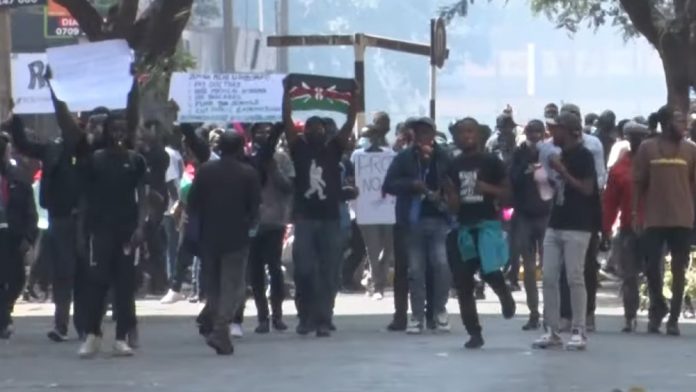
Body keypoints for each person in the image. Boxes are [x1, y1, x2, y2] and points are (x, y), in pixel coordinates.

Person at [281, 78, 358, 337]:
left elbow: (349, 122)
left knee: (328, 271)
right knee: (303, 269)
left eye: (319, 128)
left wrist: (353, 97)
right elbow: (286, 121)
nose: (314, 131)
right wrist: (286, 94)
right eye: (310, 127)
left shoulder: (334, 150)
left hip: (330, 219)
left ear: (326, 132)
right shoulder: (298, 148)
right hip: (305, 218)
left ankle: (323, 319)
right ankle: (305, 317)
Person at [78, 112, 147, 358]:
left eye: (122, 130)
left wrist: (140, 227)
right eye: (114, 130)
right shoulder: (95, 160)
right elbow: (85, 198)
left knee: (125, 286)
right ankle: (92, 334)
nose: (118, 135)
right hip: (100, 231)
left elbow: (142, 196)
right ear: (106, 132)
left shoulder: (136, 160)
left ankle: (121, 337)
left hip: (127, 232)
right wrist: (82, 231)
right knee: (97, 283)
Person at [444, 117, 515, 349]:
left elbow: (508, 195)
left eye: (470, 131)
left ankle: (504, 293)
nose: (466, 136)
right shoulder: (453, 165)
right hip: (464, 227)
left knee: (490, 271)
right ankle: (474, 332)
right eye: (462, 132)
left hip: (487, 224)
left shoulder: (491, 161)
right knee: (463, 283)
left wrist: (487, 189)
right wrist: (451, 197)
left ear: (479, 134)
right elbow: (452, 204)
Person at [187, 131, 261, 355]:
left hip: (209, 237)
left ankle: (212, 317)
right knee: (234, 287)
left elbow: (193, 203)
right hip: (236, 237)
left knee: (214, 286)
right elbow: (254, 207)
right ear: (241, 148)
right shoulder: (248, 173)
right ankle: (220, 328)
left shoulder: (205, 171)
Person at [532, 112, 599, 351]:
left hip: (578, 225)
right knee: (549, 276)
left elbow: (587, 189)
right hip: (556, 221)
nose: (552, 133)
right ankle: (551, 329)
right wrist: (543, 178)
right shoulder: (557, 155)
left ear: (570, 131)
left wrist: (562, 172)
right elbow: (552, 191)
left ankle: (579, 329)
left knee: (574, 276)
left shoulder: (583, 156)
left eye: (557, 129)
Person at [383, 117, 451, 335]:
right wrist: (412, 184)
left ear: (433, 134)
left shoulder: (443, 157)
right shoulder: (404, 158)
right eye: (419, 132)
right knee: (414, 269)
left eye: (427, 132)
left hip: (439, 219)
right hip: (411, 221)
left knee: (440, 265)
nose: (423, 137)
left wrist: (445, 192)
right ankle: (414, 316)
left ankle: (438, 312)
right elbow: (388, 185)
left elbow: (455, 183)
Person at [633, 105, 696, 336]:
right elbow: (639, 183)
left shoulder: (691, 150)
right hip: (654, 217)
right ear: (667, 123)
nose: (685, 125)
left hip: (682, 217)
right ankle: (658, 305)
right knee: (651, 267)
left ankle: (673, 318)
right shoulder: (647, 148)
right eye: (680, 121)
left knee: (679, 269)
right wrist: (633, 214)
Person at [602, 121, 649, 333]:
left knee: (654, 274)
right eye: (632, 138)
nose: (636, 142)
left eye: (640, 138)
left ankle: (657, 313)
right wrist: (605, 227)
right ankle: (630, 316)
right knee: (629, 275)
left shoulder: (655, 165)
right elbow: (610, 201)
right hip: (629, 228)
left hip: (654, 227)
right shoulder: (619, 169)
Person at [248, 122, 294, 334]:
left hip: (275, 221)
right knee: (255, 270)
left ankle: (277, 314)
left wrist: (273, 170)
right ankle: (262, 317)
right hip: (253, 223)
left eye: (268, 132)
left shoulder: (282, 158)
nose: (263, 135)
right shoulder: (247, 159)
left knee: (274, 268)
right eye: (259, 132)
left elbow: (289, 187)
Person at [508, 120, 553, 331]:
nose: (535, 136)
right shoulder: (519, 153)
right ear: (526, 133)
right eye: (531, 132)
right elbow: (512, 178)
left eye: (538, 132)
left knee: (549, 269)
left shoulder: (550, 152)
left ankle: (549, 314)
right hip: (524, 215)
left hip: (546, 215)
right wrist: (527, 167)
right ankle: (534, 313)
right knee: (528, 268)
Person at [0, 132, 39, 339]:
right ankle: (4, 320)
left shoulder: (18, 178)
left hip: (12, 236)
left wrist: (29, 237)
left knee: (16, 279)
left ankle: (4, 312)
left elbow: (29, 211)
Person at [351, 124, 395, 300]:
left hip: (388, 209)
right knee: (372, 249)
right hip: (366, 209)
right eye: (362, 136)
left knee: (389, 248)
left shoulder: (390, 156)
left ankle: (377, 278)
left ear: (376, 138)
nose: (363, 140)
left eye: (367, 136)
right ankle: (378, 285)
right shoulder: (357, 156)